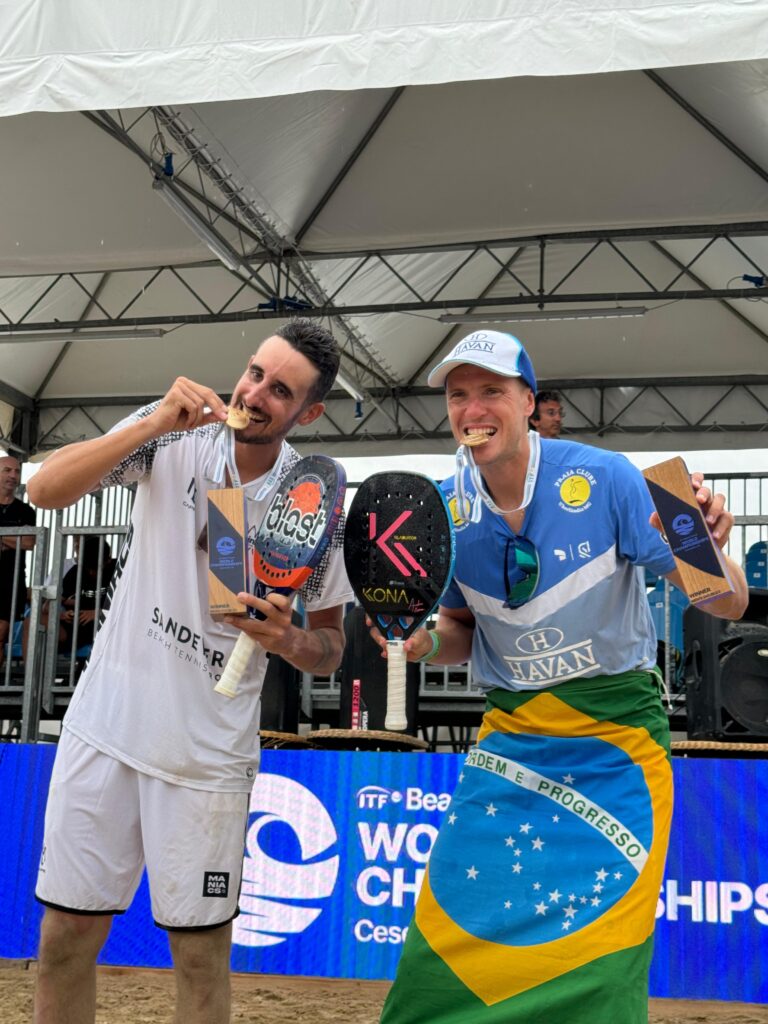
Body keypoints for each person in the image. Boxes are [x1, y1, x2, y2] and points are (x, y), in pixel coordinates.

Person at [372, 330, 747, 1024]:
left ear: (528, 401)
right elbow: (459, 633)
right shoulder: (445, 512)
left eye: (490, 391)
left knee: (601, 970)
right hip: (511, 743)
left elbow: (726, 602)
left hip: (618, 746)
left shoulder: (614, 478)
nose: (472, 408)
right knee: (442, 954)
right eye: (458, 395)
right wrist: (420, 642)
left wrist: (712, 547)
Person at [27, 319, 354, 1024]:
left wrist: (290, 642)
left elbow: (330, 644)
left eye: (281, 390)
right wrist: (149, 424)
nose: (256, 394)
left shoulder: (314, 499)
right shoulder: (173, 437)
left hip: (207, 759)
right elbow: (45, 492)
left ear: (309, 411)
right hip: (106, 731)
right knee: (63, 939)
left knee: (200, 959)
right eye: (255, 373)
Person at [0, 454, 36, 667]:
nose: (13, 475)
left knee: (1, 634)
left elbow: (30, 542)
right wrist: (14, 537)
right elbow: (21, 539)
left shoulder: (25, 511)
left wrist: (2, 537)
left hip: (9, 582)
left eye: (17, 471)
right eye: (7, 470)